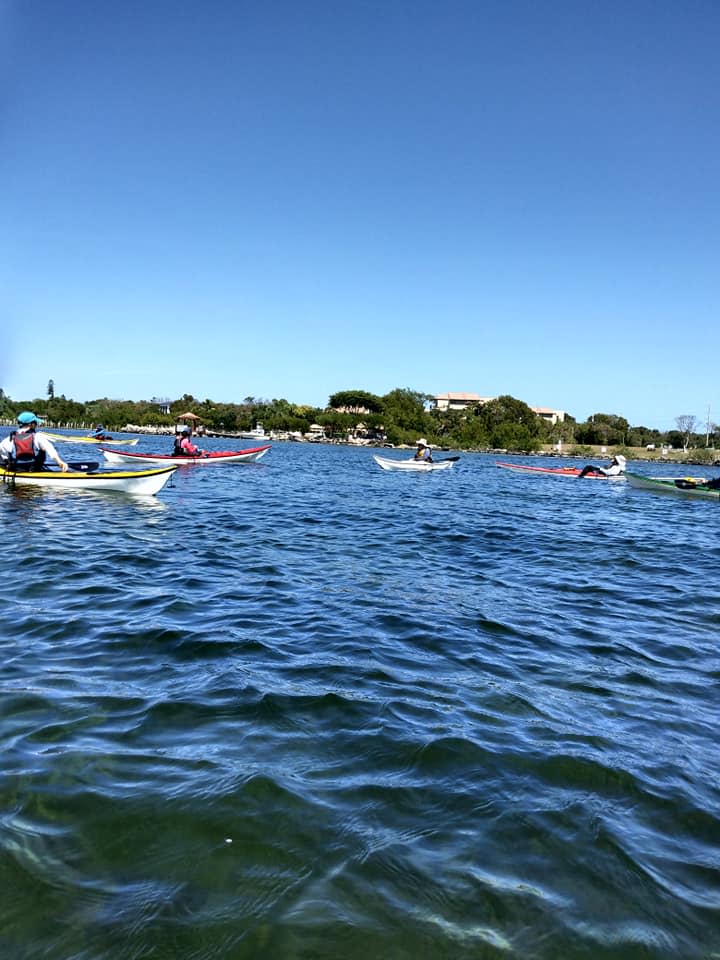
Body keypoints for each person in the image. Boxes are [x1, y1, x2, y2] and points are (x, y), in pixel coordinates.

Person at [0, 411, 69, 472]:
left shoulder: (9, 439)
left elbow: (2, 453)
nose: (36, 425)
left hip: (17, 470)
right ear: (31, 424)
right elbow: (50, 449)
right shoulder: (38, 437)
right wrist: (60, 462)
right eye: (35, 423)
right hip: (35, 469)